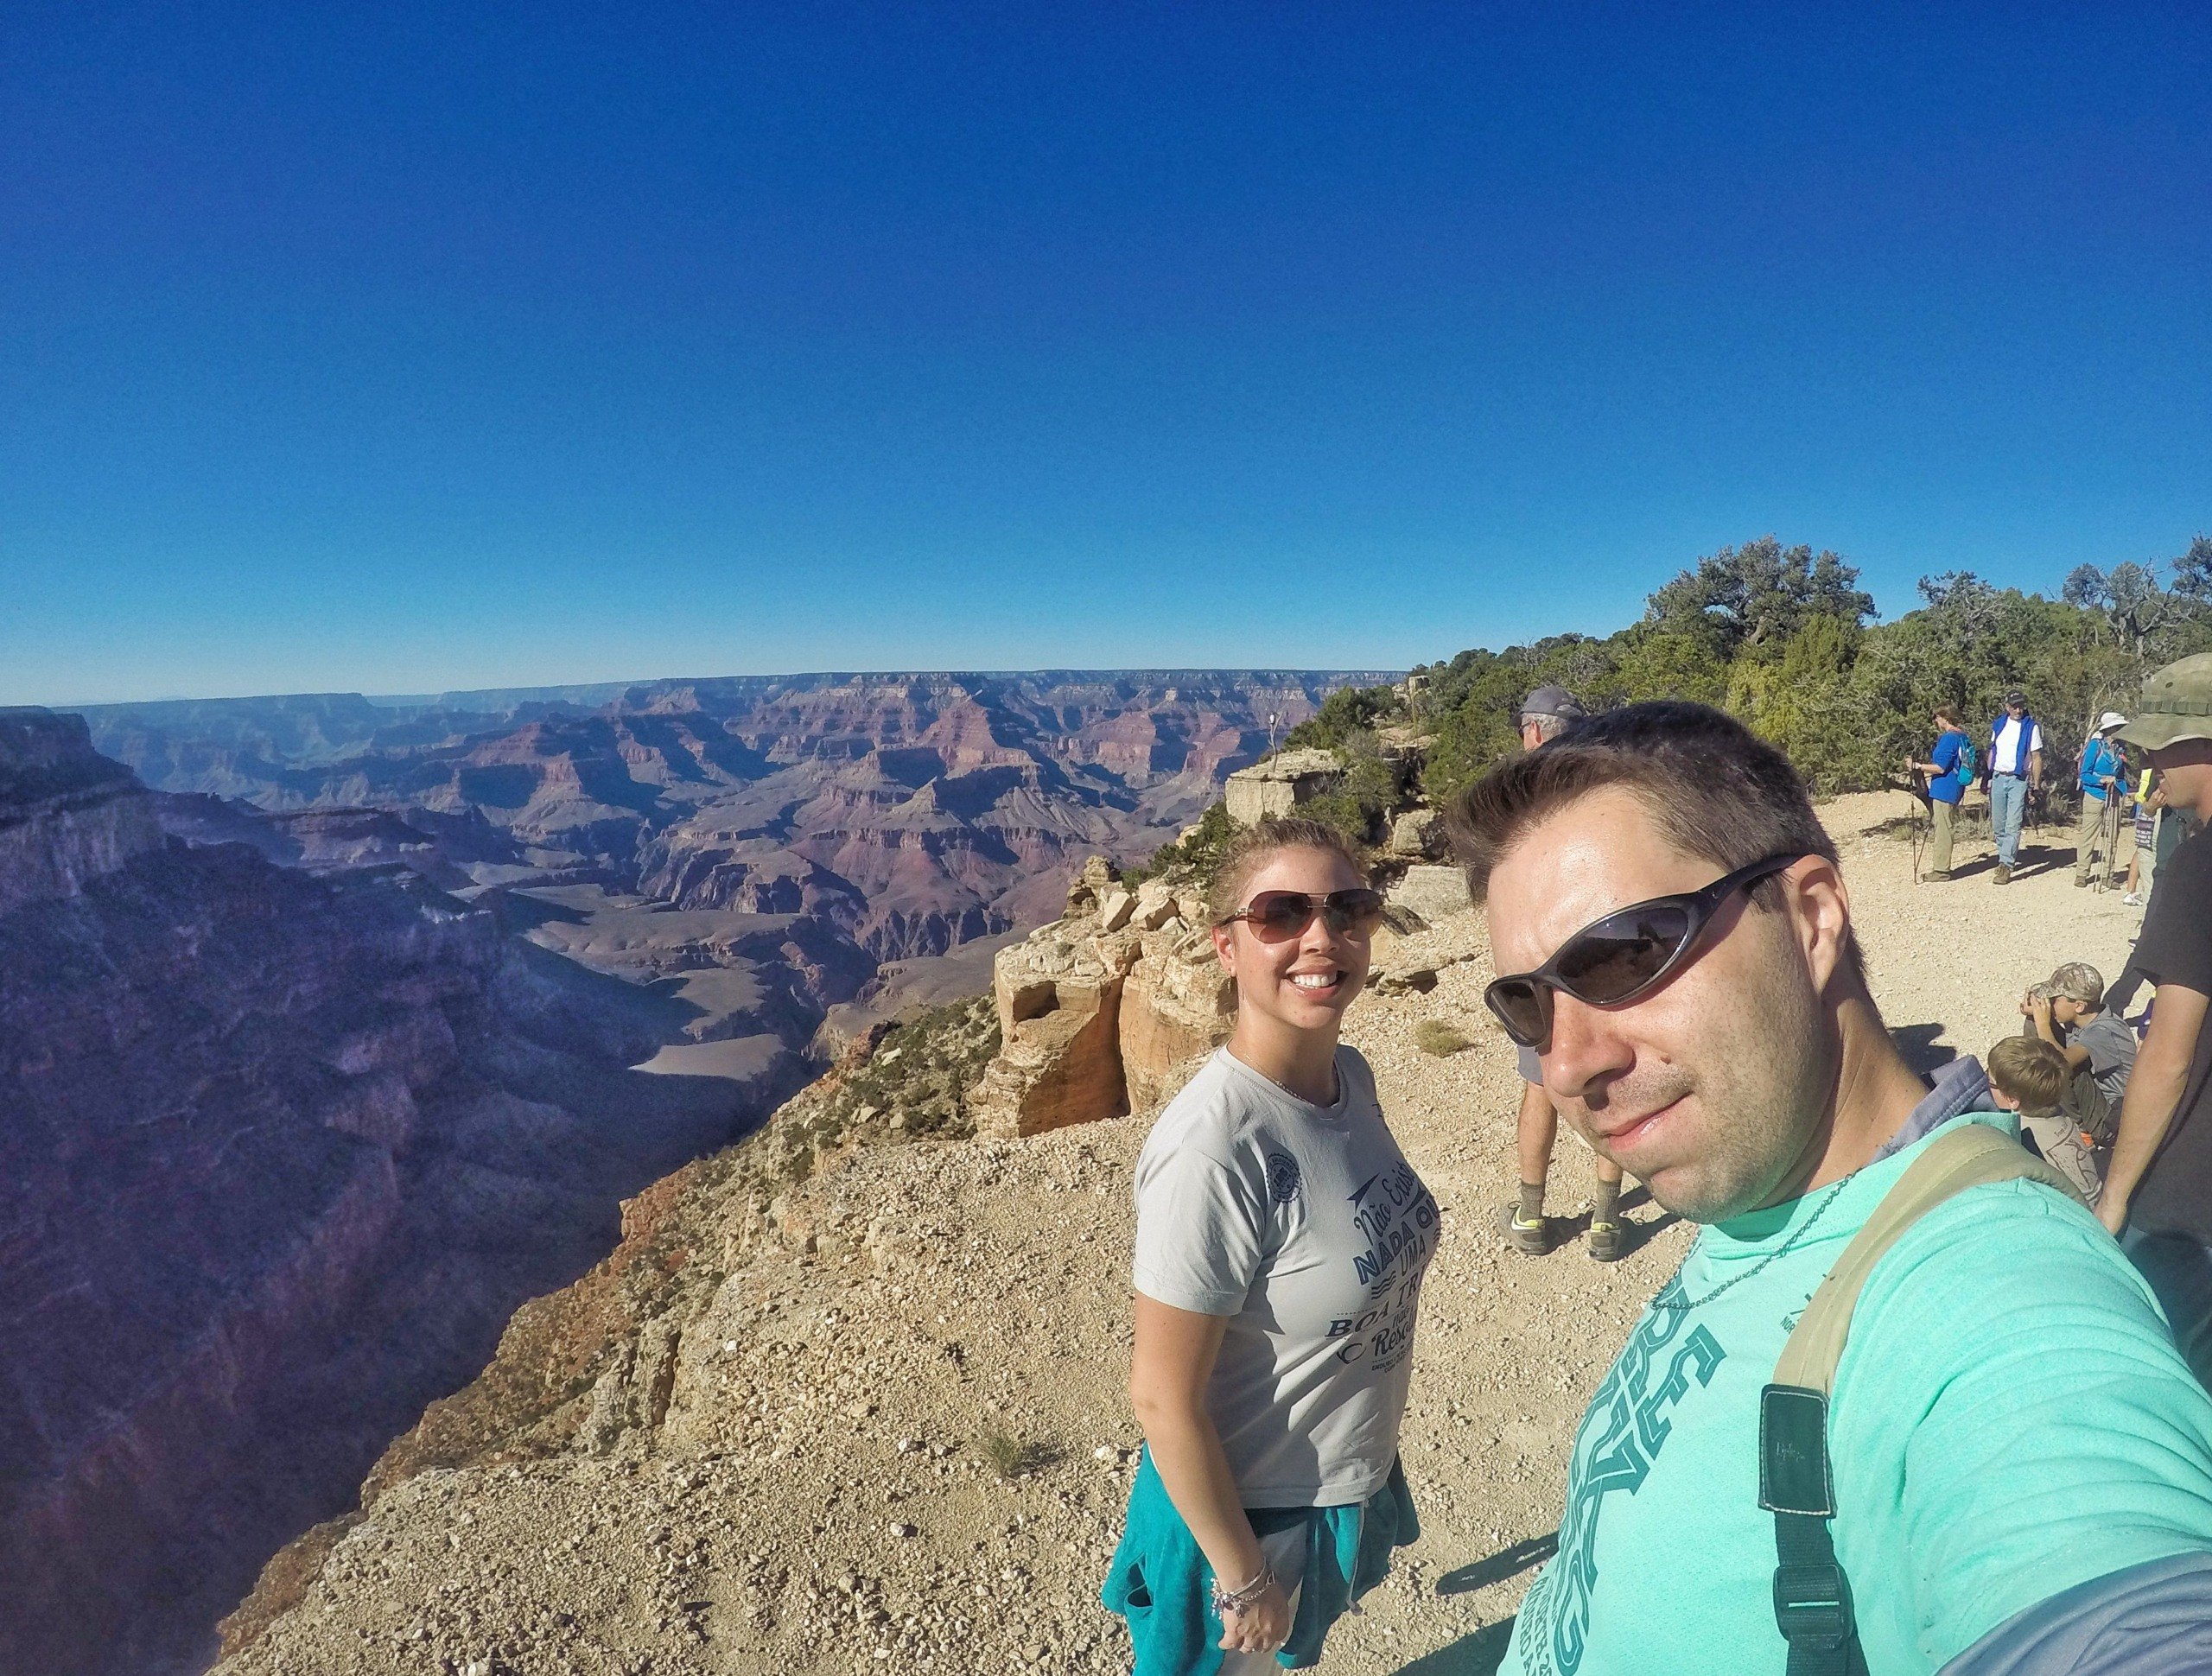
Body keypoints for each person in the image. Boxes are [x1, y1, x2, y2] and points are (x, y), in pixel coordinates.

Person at [1448, 700, 2212, 1676]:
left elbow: (2103, 1575)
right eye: (1526, 1002)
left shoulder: (1991, 1294)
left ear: (1811, 918)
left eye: (1624, 954)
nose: (1563, 1066)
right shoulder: (1771, 1177)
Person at [1104, 816, 1434, 1673]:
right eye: (1280, 913)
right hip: (1250, 1515)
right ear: (1226, 945)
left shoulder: (1348, 1077)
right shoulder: (1215, 1145)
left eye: (1347, 908)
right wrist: (1243, 1574)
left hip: (1331, 1477)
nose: (1320, 937)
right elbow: (1160, 1398)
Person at [2101, 653, 2212, 1387]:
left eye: (2165, 742)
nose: (2149, 759)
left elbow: (2169, 1054)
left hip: (2188, 1198)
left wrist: (2113, 1198)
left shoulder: (2198, 867)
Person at [1499, 686, 1626, 1263]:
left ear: (1533, 732)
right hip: (1603, 953)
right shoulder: (1606, 788)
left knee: (1540, 1085)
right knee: (1608, 1083)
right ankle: (1605, 1220)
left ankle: (1531, 1216)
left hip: (1539, 960)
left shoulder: (1517, 799)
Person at [1986, 1033, 2103, 1203]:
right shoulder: (2054, 1107)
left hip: (2075, 1215)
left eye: (1989, 1082)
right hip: (2095, 1201)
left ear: (2011, 1099)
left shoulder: (2022, 1134)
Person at [2024, 961, 2137, 1123]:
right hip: (2094, 1092)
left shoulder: (2104, 1032)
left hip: (2112, 1114)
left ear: (2079, 1006)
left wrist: (2043, 1024)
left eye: (2054, 999)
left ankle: (2080, 1127)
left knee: (2055, 1068)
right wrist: (2032, 1010)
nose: (2049, 1003)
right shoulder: (2084, 1017)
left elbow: (2060, 1062)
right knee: (2033, 1022)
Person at [1904, 703, 1974, 880]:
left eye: (1937, 717)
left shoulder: (1949, 738)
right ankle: (1941, 867)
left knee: (1943, 829)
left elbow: (1940, 768)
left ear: (1945, 717)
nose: (1935, 721)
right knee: (1945, 825)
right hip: (1955, 787)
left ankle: (1941, 870)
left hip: (1945, 788)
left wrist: (1917, 766)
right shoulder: (1961, 736)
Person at [1986, 689, 2044, 885]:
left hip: (2018, 779)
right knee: (1998, 824)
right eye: (2014, 706)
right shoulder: (1999, 724)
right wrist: (1987, 776)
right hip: (1998, 776)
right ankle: (2004, 855)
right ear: (2007, 707)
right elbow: (1993, 751)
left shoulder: (2031, 727)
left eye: (2021, 706)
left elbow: (2036, 757)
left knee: (2013, 823)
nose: (2018, 710)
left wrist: (2035, 784)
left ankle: (2006, 864)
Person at [2075, 710, 2129, 887]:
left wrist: (2121, 789)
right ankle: (2082, 873)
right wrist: (2101, 780)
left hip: (2114, 795)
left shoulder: (2121, 748)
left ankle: (2108, 875)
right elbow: (2084, 774)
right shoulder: (2095, 746)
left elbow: (2121, 773)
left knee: (2112, 836)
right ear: (2108, 729)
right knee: (2089, 835)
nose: (2120, 730)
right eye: (2117, 727)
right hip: (2094, 794)